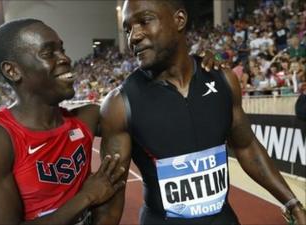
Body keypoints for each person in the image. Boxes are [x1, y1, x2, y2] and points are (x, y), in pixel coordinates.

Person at [98, 0, 306, 224]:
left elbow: (247, 147)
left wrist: (291, 202)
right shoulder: (119, 104)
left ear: (179, 20)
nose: (133, 37)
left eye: (144, 21)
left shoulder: (223, 79)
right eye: (127, 29)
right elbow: (111, 200)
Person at [0, 18, 127, 225]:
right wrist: (87, 197)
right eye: (49, 53)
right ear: (12, 71)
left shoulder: (89, 117)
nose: (65, 58)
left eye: (62, 49)